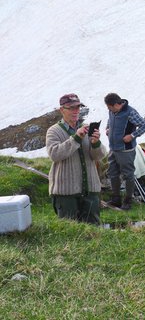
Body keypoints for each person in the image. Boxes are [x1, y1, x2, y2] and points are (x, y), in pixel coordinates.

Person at [46, 94, 107, 224]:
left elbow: (99, 156)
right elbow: (54, 154)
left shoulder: (87, 128)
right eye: (71, 108)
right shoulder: (54, 131)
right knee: (70, 233)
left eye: (78, 107)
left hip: (90, 191)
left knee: (93, 231)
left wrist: (96, 142)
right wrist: (76, 138)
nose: (76, 111)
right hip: (66, 194)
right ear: (62, 110)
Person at [104, 93, 145, 210]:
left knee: (128, 175)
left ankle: (128, 201)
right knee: (112, 173)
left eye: (109, 107)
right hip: (113, 148)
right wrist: (108, 128)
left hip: (126, 150)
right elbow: (110, 120)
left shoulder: (130, 112)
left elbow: (144, 125)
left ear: (116, 104)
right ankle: (116, 199)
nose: (108, 109)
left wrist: (132, 135)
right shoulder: (112, 111)